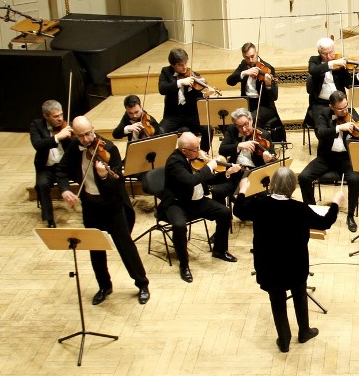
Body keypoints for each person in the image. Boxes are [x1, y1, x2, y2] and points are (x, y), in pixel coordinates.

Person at [233, 168, 343, 353]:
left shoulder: (259, 204)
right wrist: (335, 203)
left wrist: (243, 189)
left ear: (273, 184)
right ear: (293, 187)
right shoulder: (299, 209)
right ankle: (304, 331)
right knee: (299, 293)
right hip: (295, 264)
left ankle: (284, 340)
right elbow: (325, 223)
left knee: (277, 299)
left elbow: (239, 211)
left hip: (268, 264)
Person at [59, 116, 151, 305]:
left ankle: (142, 284)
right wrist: (65, 189)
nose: (86, 139)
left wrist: (103, 176)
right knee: (96, 248)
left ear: (93, 128)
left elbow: (118, 182)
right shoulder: (74, 148)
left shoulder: (109, 149)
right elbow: (61, 170)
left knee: (125, 247)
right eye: (81, 136)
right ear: (75, 135)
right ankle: (104, 286)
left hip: (112, 206)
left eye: (88, 134)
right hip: (90, 205)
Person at [161, 132, 238, 283]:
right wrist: (209, 166)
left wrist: (227, 173)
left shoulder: (195, 159)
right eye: (195, 149)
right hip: (178, 204)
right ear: (184, 150)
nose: (200, 151)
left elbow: (209, 179)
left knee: (225, 212)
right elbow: (191, 180)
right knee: (179, 225)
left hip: (197, 201)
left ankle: (220, 250)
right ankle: (184, 265)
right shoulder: (174, 162)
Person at [299, 91, 359, 233]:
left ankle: (351, 215)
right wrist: (339, 127)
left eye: (346, 106)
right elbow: (320, 133)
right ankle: (312, 212)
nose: (345, 110)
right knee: (303, 177)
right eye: (341, 109)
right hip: (326, 157)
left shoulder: (351, 113)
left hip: (347, 158)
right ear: (331, 107)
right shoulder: (323, 114)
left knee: (354, 179)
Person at [214, 107, 275, 204]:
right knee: (217, 191)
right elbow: (222, 149)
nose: (244, 129)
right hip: (235, 171)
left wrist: (267, 160)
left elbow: (273, 161)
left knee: (263, 199)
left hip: (254, 175)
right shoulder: (231, 130)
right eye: (239, 126)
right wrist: (239, 145)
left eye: (246, 124)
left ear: (251, 120)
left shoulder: (264, 135)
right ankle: (225, 216)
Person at [226, 42, 285, 142]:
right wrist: (244, 73)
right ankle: (237, 145)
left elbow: (274, 97)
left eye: (252, 56)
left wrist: (268, 85)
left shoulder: (268, 68)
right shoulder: (244, 65)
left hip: (264, 105)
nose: (250, 60)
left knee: (249, 121)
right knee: (233, 119)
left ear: (256, 52)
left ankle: (254, 146)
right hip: (247, 103)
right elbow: (229, 81)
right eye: (247, 57)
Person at [158, 47, 216, 148]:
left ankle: (202, 153)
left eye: (185, 63)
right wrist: (180, 82)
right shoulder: (166, 72)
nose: (185, 67)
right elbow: (162, 89)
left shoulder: (194, 76)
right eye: (181, 65)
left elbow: (198, 99)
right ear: (173, 65)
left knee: (208, 129)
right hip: (172, 115)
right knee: (160, 131)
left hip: (191, 115)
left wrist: (205, 95)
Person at [30, 99, 72, 228]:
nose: (60, 119)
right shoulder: (36, 125)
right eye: (56, 116)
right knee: (42, 185)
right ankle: (49, 220)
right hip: (46, 167)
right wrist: (57, 137)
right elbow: (37, 144)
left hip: (65, 166)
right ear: (46, 116)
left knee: (85, 176)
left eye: (61, 115)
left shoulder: (66, 125)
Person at [306, 36, 359, 118]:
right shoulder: (314, 60)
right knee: (322, 125)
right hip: (320, 103)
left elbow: (349, 83)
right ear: (319, 52)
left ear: (334, 49)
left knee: (356, 122)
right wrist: (332, 63)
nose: (328, 56)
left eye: (331, 52)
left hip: (340, 103)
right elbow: (313, 71)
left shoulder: (340, 63)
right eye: (324, 54)